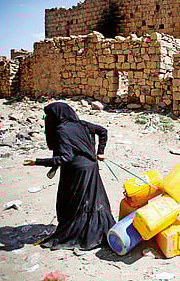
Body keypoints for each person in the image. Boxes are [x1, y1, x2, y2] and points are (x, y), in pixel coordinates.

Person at [24, 102, 115, 250]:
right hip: (91, 167)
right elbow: (103, 131)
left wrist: (37, 161)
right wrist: (100, 152)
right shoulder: (82, 124)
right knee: (93, 199)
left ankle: (80, 234)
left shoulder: (61, 130)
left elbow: (65, 157)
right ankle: (98, 232)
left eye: (49, 116)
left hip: (76, 171)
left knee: (74, 202)